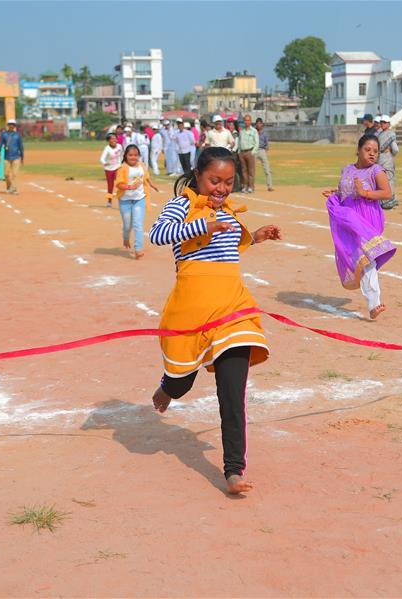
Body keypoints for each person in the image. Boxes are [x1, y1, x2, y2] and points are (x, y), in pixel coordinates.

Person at [148, 147, 282, 495]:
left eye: (228, 182)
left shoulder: (228, 210)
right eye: (214, 181)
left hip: (233, 308)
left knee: (232, 392)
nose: (221, 188)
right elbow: (157, 235)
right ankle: (168, 387)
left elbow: (225, 250)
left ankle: (233, 470)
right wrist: (202, 223)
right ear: (198, 175)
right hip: (192, 309)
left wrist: (257, 235)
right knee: (181, 382)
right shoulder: (182, 204)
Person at [323, 134, 397, 320]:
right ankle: (373, 303)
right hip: (348, 217)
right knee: (361, 259)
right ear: (358, 149)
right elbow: (345, 190)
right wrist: (335, 192)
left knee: (366, 257)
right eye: (368, 150)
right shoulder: (347, 169)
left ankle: (374, 302)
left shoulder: (376, 170)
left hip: (367, 217)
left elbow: (387, 193)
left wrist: (365, 193)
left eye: (375, 151)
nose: (372, 154)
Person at [115, 144, 160, 259]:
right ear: (125, 156)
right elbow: (119, 184)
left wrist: (152, 185)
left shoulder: (142, 165)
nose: (133, 157)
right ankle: (125, 238)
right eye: (130, 155)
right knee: (127, 225)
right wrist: (129, 187)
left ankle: (138, 249)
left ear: (139, 156)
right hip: (125, 200)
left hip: (139, 199)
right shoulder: (122, 168)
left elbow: (146, 176)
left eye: (135, 155)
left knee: (138, 224)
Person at [376, 115, 399, 210]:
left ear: (389, 124)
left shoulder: (390, 134)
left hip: (386, 160)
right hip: (381, 159)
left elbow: (396, 149)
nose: (382, 124)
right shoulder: (380, 134)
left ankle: (389, 201)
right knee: (383, 180)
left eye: (384, 122)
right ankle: (384, 200)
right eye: (381, 122)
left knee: (389, 180)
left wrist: (390, 152)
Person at [0, 119, 24, 194]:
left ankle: (14, 189)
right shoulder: (4, 135)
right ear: (7, 125)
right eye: (10, 124)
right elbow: (0, 144)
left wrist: (22, 157)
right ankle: (8, 187)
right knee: (6, 174)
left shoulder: (17, 135)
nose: (11, 125)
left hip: (16, 157)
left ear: (15, 126)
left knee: (14, 174)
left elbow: (21, 146)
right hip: (7, 157)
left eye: (13, 124)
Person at [100, 133, 124, 207]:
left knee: (120, 184)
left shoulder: (119, 146)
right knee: (110, 186)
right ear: (109, 140)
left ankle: (122, 200)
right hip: (109, 169)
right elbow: (102, 159)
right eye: (112, 139)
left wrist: (122, 163)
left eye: (115, 138)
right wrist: (105, 163)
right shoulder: (107, 148)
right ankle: (109, 201)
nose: (114, 140)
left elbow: (122, 155)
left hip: (118, 167)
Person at [237, 114, 259, 193]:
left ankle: (251, 186)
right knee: (243, 171)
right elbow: (239, 142)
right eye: (245, 120)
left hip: (250, 152)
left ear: (250, 121)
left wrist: (253, 152)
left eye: (248, 120)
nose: (246, 122)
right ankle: (245, 186)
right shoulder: (242, 131)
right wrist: (239, 152)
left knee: (251, 171)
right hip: (242, 152)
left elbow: (257, 143)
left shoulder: (254, 131)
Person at [254, 117, 274, 192]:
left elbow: (267, 143)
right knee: (252, 170)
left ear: (262, 124)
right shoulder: (253, 131)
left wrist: (265, 149)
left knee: (267, 169)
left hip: (262, 150)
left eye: (260, 123)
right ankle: (251, 186)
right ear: (256, 124)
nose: (259, 125)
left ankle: (270, 186)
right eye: (257, 123)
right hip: (254, 150)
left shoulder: (264, 133)